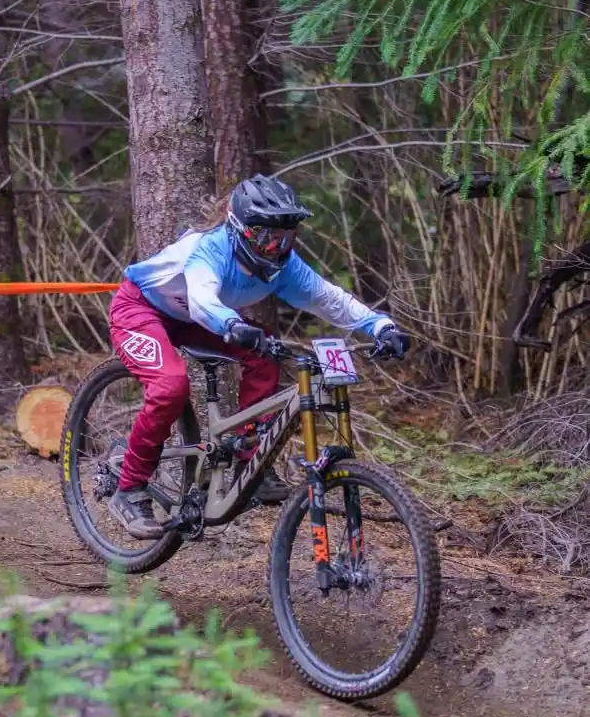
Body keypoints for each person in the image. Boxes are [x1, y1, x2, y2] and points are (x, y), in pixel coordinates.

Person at [108, 174, 409, 539]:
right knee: (171, 387)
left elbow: (329, 299)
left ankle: (251, 461)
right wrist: (232, 326)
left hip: (198, 318)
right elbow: (203, 300)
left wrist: (379, 327)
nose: (274, 247)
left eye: (285, 237)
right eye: (264, 236)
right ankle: (129, 488)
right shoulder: (211, 248)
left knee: (265, 357)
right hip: (142, 309)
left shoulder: (284, 264)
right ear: (238, 229)